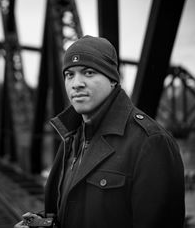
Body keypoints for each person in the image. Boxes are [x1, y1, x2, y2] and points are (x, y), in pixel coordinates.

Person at [14, 35, 185, 228]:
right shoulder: (72, 137)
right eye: (69, 74)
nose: (76, 83)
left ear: (112, 80)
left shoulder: (151, 142)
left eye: (88, 72)